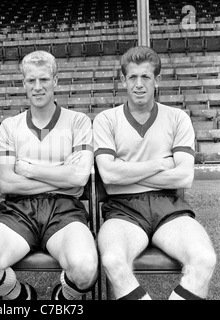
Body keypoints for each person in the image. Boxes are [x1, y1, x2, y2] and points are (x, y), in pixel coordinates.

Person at [0, 50, 98, 300]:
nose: (37, 87)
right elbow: (6, 182)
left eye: (44, 80)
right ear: (23, 83)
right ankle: (21, 297)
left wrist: (29, 170)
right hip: (19, 209)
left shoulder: (78, 121)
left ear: (56, 81)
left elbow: (80, 179)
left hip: (65, 209)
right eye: (31, 81)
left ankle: (63, 299)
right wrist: (61, 174)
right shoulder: (9, 125)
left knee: (85, 270)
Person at [93, 46, 217, 300]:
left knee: (204, 259)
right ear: (123, 80)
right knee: (114, 260)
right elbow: (109, 178)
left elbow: (184, 177)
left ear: (157, 80)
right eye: (132, 77)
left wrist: (125, 172)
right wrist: (161, 164)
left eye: (146, 77)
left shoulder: (177, 118)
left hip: (168, 206)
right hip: (122, 209)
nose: (139, 84)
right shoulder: (106, 119)